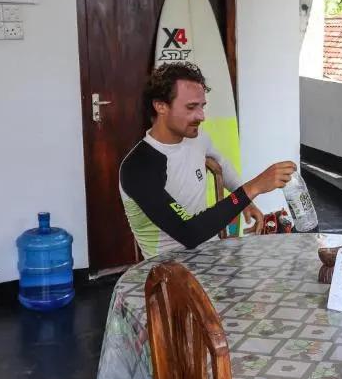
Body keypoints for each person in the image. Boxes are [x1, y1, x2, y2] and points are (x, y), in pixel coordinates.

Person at [120, 62, 295, 259]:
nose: (201, 116)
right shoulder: (138, 166)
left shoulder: (198, 138)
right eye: (191, 107)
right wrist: (252, 189)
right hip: (167, 266)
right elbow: (189, 232)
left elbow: (223, 165)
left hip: (210, 255)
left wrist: (245, 202)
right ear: (160, 106)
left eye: (202, 106)